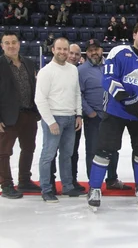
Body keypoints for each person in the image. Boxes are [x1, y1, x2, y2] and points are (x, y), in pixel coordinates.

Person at [87, 22, 138, 210]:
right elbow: (109, 79)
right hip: (115, 111)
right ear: (134, 35)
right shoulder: (119, 52)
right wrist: (126, 98)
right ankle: (95, 188)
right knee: (105, 150)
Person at [35, 38, 85, 202]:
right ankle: (46, 189)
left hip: (71, 118)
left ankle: (67, 186)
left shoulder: (73, 70)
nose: (63, 52)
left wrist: (78, 114)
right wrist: (50, 121)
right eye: (60, 49)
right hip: (54, 118)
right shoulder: (46, 72)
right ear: (53, 50)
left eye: (65, 49)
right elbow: (40, 99)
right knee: (48, 155)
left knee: (67, 155)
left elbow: (77, 93)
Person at [79, 39, 131, 190]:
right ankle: (93, 183)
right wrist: (90, 112)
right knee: (93, 150)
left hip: (113, 115)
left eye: (96, 49)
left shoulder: (112, 65)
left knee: (113, 149)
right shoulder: (81, 71)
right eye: (90, 50)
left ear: (102, 50)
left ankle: (112, 179)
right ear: (86, 53)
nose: (94, 53)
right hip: (94, 118)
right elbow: (79, 94)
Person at [0, 31, 40, 199]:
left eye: (13, 42)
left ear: (19, 44)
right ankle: (6, 184)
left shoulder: (29, 63)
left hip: (29, 113)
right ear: (2, 46)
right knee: (3, 152)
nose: (11, 46)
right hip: (7, 116)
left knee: (29, 148)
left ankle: (24, 180)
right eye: (7, 43)